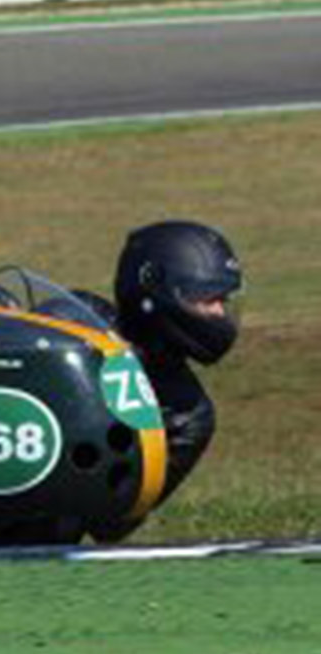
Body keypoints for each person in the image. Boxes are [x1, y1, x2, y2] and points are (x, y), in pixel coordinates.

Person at [80, 219, 243, 540]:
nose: (220, 315)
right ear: (154, 286)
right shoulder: (77, 318)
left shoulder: (188, 415)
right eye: (207, 298)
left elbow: (111, 523)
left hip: (44, 536)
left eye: (223, 302)